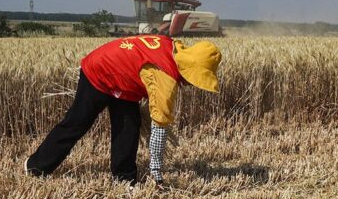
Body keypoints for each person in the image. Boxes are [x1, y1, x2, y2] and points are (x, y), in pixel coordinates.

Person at [25, 34, 221, 184]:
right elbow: (159, 131)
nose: (192, 85)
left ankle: (124, 178)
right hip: (99, 73)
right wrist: (157, 173)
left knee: (129, 126)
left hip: (124, 82)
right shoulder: (165, 78)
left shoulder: (174, 47)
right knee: (77, 123)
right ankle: (35, 167)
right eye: (195, 79)